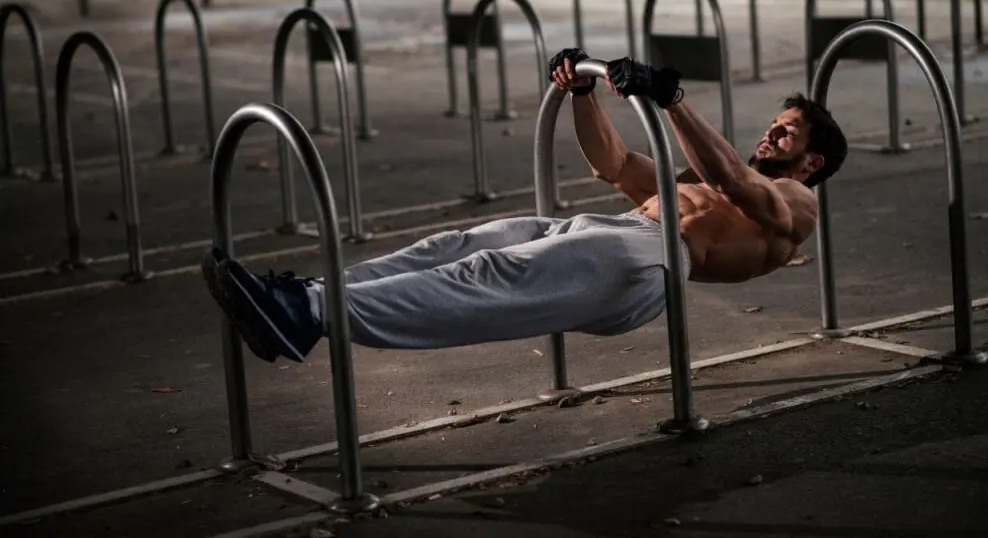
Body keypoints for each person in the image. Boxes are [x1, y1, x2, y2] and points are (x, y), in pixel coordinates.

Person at [201, 48, 848, 364]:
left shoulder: (795, 204)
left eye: (786, 131)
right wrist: (581, 90)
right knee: (455, 247)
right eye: (775, 123)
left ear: (811, 161)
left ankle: (312, 312)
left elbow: (737, 182)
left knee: (483, 279)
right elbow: (614, 165)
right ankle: (302, 298)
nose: (772, 133)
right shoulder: (702, 178)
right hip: (613, 232)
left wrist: (670, 99)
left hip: (647, 263)